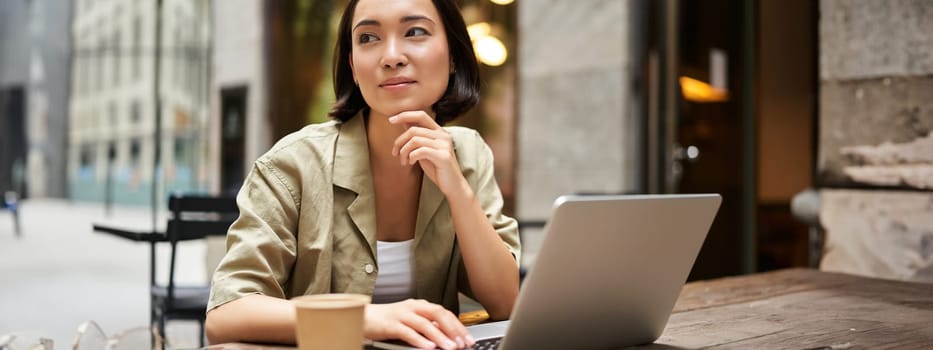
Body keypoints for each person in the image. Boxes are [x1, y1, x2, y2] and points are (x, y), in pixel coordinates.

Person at [204, 0, 521, 349]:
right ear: (354, 67)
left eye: (415, 32)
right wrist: (367, 319)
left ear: (453, 57)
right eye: (368, 37)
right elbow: (226, 314)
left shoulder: (469, 153)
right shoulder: (292, 164)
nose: (391, 56)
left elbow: (505, 304)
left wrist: (458, 190)